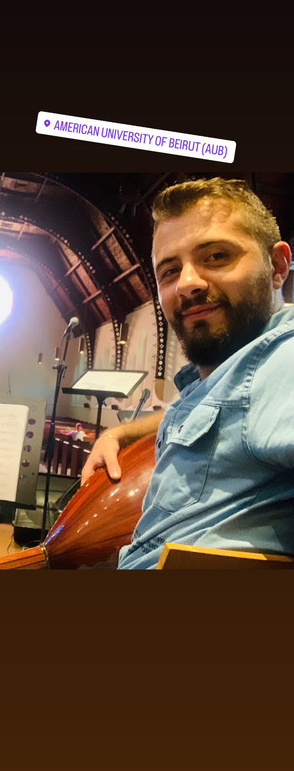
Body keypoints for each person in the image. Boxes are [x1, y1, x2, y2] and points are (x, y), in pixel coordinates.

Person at [81, 176, 294, 569]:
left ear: (277, 266)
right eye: (170, 271)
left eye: (217, 256)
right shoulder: (230, 370)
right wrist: (118, 433)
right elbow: (220, 411)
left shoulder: (283, 360)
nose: (188, 284)